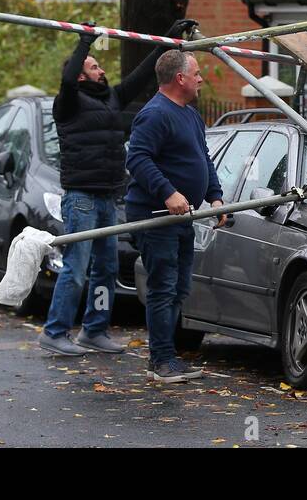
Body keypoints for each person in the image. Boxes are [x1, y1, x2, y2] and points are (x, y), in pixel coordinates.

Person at [39, 20, 192, 356]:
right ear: (81, 74)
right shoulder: (67, 102)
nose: (101, 69)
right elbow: (66, 79)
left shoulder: (110, 98)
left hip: (108, 196)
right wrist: (85, 44)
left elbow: (139, 78)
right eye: (94, 67)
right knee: (76, 269)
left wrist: (166, 40)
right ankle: (55, 331)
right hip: (80, 197)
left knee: (105, 269)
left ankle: (94, 330)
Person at [125, 50, 227, 383]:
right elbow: (138, 159)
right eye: (196, 73)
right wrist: (168, 192)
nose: (201, 79)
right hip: (155, 217)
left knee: (179, 287)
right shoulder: (154, 114)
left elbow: (204, 159)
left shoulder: (191, 115)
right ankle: (161, 360)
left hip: (182, 218)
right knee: (163, 287)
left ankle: (169, 356)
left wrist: (214, 196)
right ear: (179, 78)